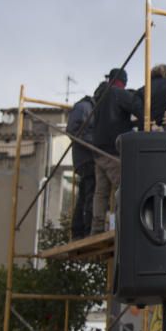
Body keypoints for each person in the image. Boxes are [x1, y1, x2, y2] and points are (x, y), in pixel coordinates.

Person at [90, 68, 137, 235]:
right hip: (112, 150)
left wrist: (129, 125)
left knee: (101, 192)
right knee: (122, 187)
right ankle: (120, 224)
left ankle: (96, 228)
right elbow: (138, 106)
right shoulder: (117, 93)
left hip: (97, 150)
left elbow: (112, 121)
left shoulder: (100, 96)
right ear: (123, 82)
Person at [67, 91, 95, 239]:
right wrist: (96, 142)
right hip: (86, 158)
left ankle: (79, 232)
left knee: (85, 195)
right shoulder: (84, 107)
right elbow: (74, 130)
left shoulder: (86, 107)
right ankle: (85, 231)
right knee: (90, 194)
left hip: (85, 158)